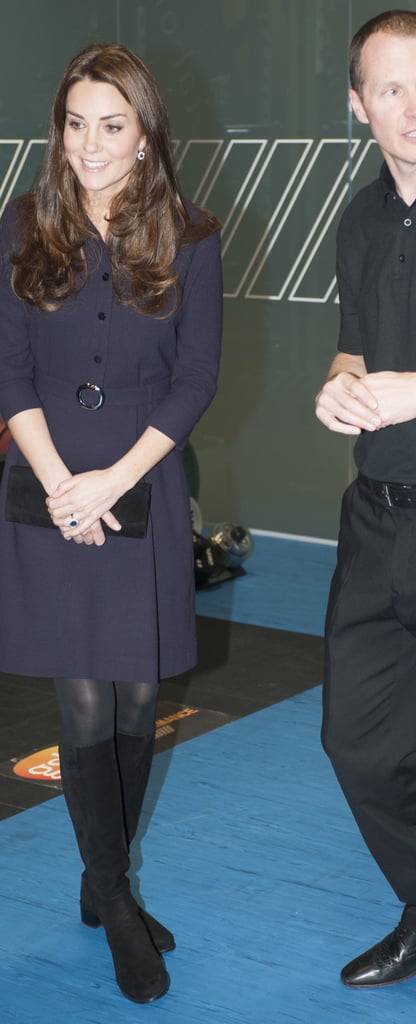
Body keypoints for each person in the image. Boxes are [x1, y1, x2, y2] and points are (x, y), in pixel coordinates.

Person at [0, 43, 222, 1003]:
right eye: (76, 123)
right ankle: (118, 903)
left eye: (111, 125)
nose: (90, 144)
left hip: (142, 487)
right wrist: (62, 486)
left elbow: (195, 380)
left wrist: (113, 483)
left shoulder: (193, 237)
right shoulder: (23, 224)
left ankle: (100, 880)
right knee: (83, 703)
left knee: (135, 701)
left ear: (145, 134)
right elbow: (9, 369)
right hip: (49, 494)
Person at [315, 8, 416, 992]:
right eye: (389, 88)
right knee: (352, 735)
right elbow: (354, 343)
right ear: (357, 106)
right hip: (375, 515)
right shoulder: (358, 218)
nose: (411, 108)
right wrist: (337, 385)